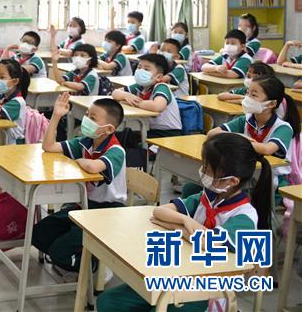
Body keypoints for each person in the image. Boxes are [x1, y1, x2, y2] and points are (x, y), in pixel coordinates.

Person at [97, 135, 272, 312]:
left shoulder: (245, 215)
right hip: (176, 275)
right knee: (108, 302)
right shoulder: (206, 198)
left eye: (208, 169)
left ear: (232, 181)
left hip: (207, 291)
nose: (202, 172)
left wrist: (175, 227)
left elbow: (207, 243)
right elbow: (159, 212)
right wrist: (185, 220)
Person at [33, 93, 126, 274]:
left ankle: (94, 265)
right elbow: (48, 146)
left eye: (93, 118)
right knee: (39, 234)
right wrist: (56, 116)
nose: (86, 120)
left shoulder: (116, 150)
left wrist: (77, 162)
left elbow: (92, 166)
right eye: (87, 115)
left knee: (59, 252)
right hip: (84, 205)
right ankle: (77, 255)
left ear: (108, 129)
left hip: (107, 211)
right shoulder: (86, 143)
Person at [111, 54, 182, 138]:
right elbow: (115, 92)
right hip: (149, 129)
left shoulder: (161, 87)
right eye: (139, 67)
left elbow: (157, 106)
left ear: (159, 77)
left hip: (167, 133)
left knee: (125, 138)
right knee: (119, 135)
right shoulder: (140, 86)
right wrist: (126, 96)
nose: (140, 71)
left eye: (146, 69)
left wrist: (134, 102)